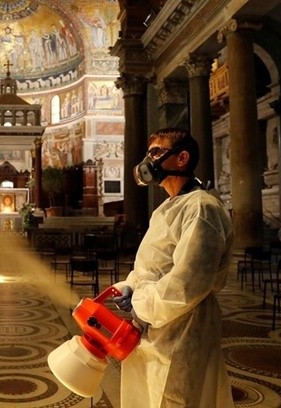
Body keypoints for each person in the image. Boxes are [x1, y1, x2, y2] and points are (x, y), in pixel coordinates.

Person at [112, 128, 234, 407]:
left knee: (175, 399)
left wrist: (139, 303)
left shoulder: (202, 207)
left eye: (155, 152)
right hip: (154, 326)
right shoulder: (167, 208)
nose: (147, 160)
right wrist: (130, 286)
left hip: (183, 327)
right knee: (146, 395)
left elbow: (188, 283)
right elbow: (152, 264)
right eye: (148, 152)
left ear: (181, 158)